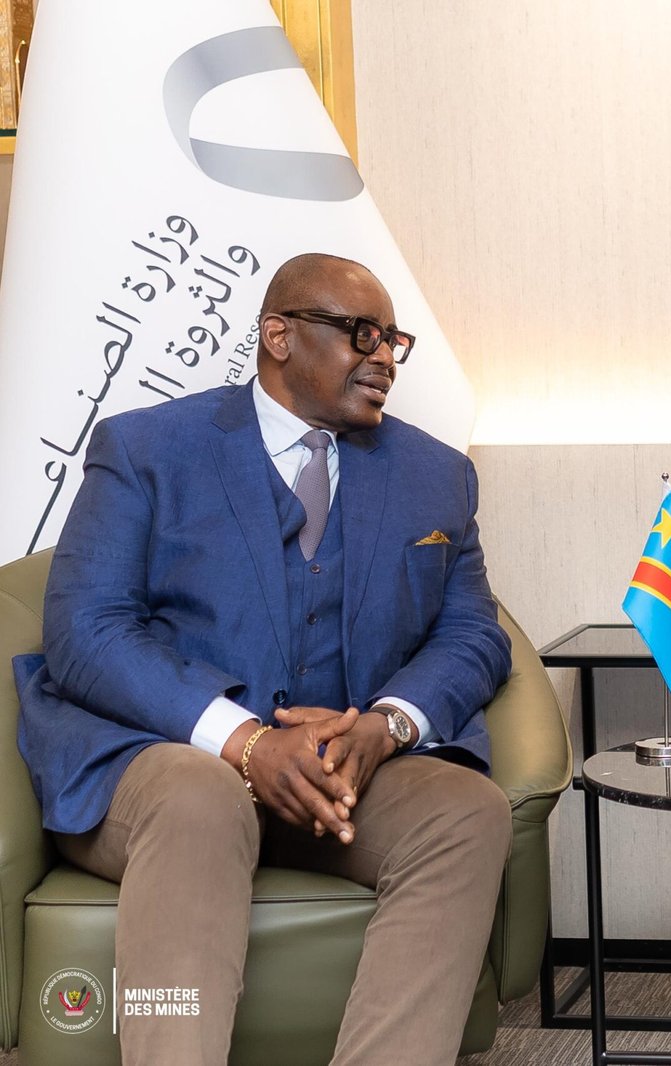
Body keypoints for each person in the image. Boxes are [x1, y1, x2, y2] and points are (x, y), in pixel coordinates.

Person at [15, 253, 515, 1065]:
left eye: (393, 341)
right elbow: (85, 629)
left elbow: (472, 634)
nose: (385, 358)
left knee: (466, 812)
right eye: (361, 334)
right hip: (161, 763)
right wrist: (245, 743)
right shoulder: (146, 449)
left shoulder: (436, 476)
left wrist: (385, 727)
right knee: (202, 798)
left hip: (339, 777)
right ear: (279, 336)